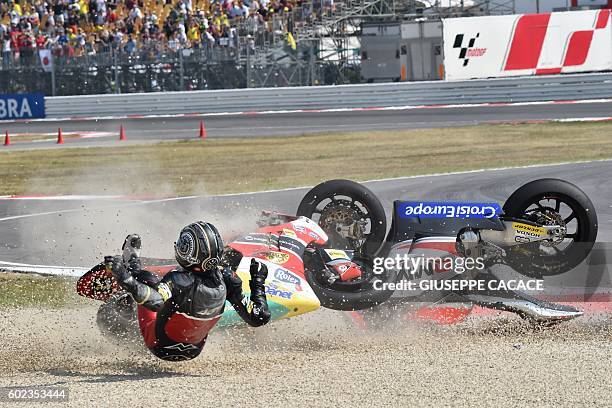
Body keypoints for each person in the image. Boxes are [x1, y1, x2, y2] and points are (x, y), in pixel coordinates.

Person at [109, 221, 271, 361]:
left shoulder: (178, 279)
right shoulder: (229, 278)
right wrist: (258, 282)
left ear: (190, 253)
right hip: (194, 351)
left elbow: (156, 302)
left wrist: (125, 278)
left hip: (159, 346)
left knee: (147, 278)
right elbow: (258, 318)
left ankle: (131, 264)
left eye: (183, 245)